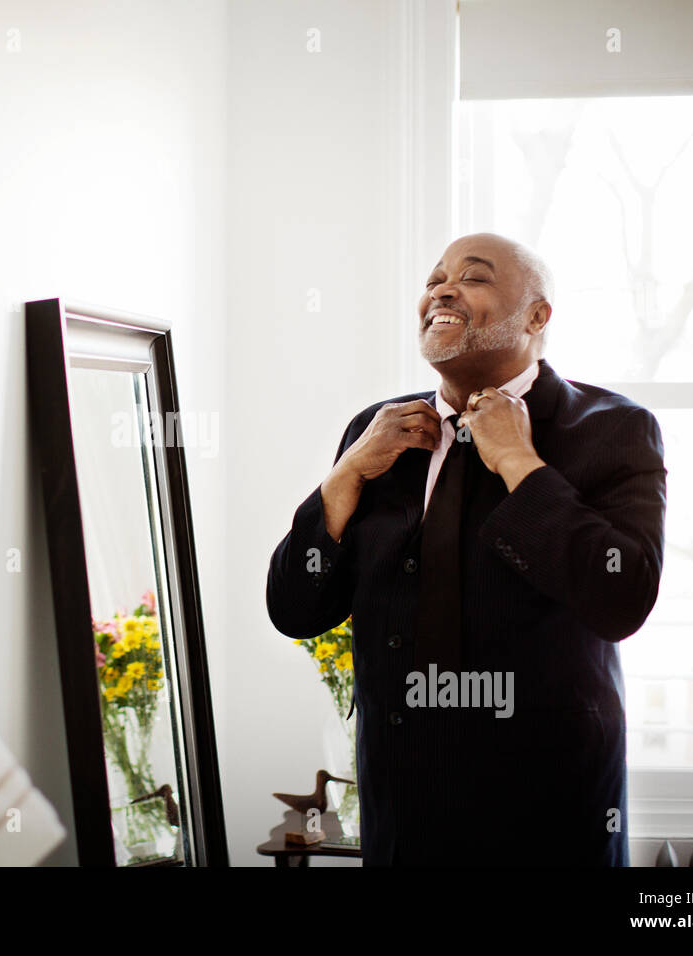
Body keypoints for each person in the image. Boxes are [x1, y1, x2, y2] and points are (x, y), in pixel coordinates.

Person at [266, 232, 667, 866]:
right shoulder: (375, 432)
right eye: (433, 280)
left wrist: (518, 463)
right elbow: (295, 608)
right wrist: (344, 475)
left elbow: (621, 600)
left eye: (473, 277)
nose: (441, 290)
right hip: (401, 808)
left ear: (536, 316)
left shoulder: (614, 428)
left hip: (550, 812)